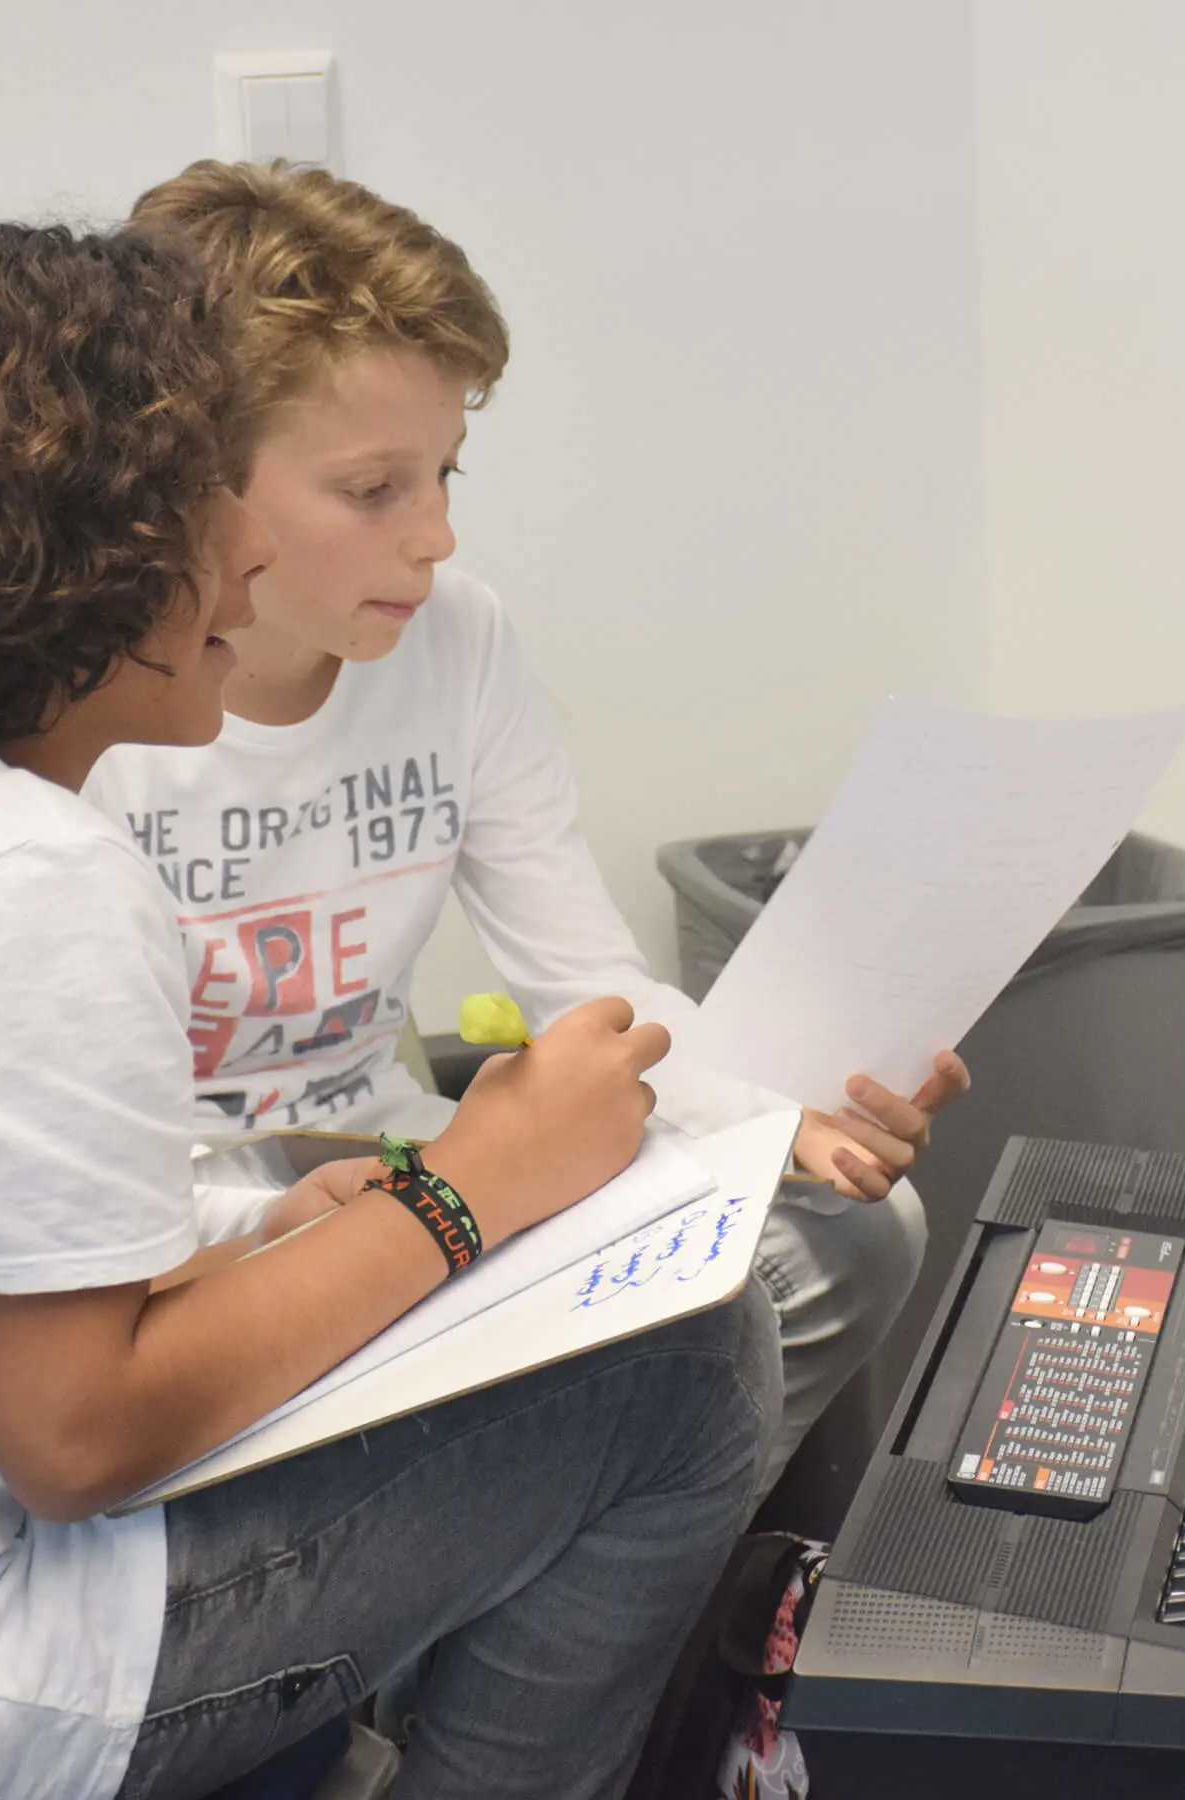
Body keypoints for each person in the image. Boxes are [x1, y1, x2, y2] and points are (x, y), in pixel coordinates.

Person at [0, 221, 776, 1800]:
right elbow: (76, 1440)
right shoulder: (22, 877)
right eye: (200, 495)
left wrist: (275, 1235)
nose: (249, 551)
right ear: (48, 551)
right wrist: (465, 1192)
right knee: (687, 1373)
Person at [82, 161, 964, 1476]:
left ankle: (614, 1536)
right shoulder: (82, 703)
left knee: (854, 1232)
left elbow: (585, 985)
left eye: (445, 473)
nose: (436, 537)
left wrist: (778, 1112)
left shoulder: (458, 640)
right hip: (182, 1220)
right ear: (193, 482)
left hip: (391, 1152)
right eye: (374, 490)